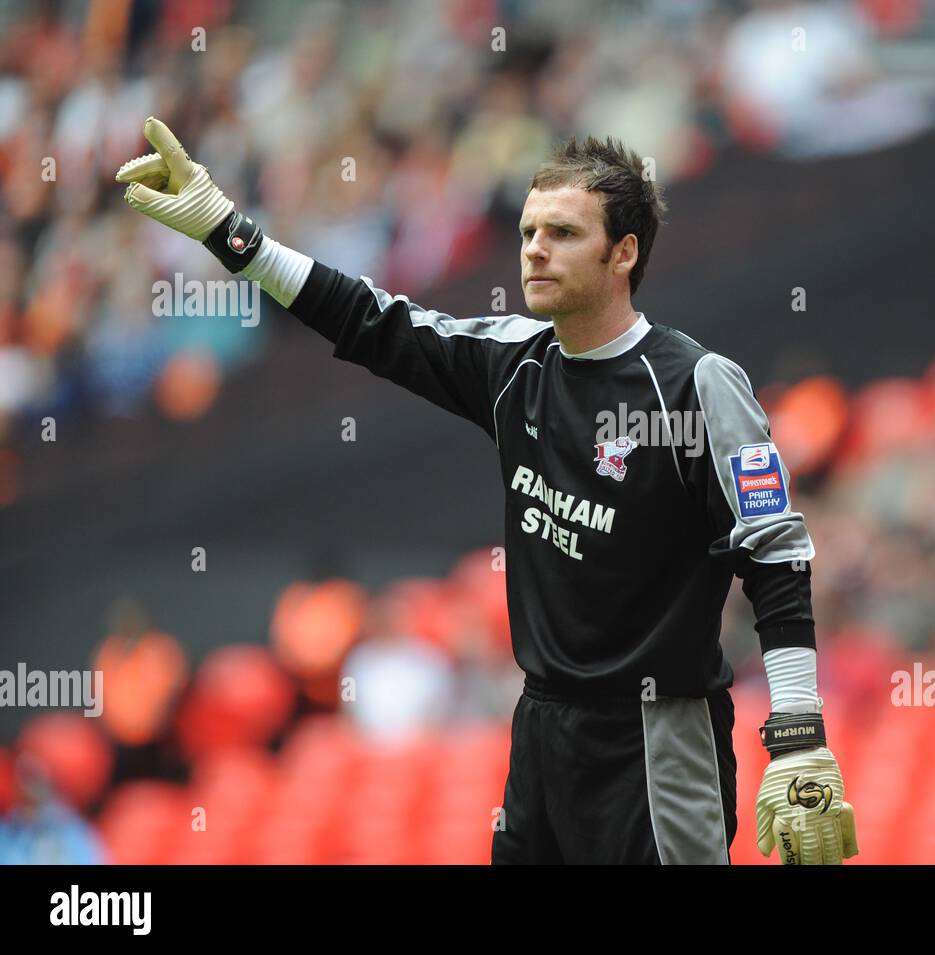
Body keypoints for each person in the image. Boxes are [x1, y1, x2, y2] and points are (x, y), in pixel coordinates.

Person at [115, 117, 857, 865]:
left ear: (623, 252)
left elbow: (777, 555)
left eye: (563, 232)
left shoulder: (695, 383)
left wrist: (797, 733)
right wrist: (226, 231)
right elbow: (367, 318)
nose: (534, 247)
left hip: (656, 737)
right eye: (530, 229)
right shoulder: (513, 366)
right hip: (540, 732)